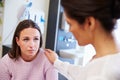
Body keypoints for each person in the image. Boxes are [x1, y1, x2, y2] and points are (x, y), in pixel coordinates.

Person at [45, 0, 120, 80]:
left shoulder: (102, 74)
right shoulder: (108, 60)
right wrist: (56, 62)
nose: (69, 30)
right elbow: (83, 73)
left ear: (89, 23)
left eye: (70, 24)